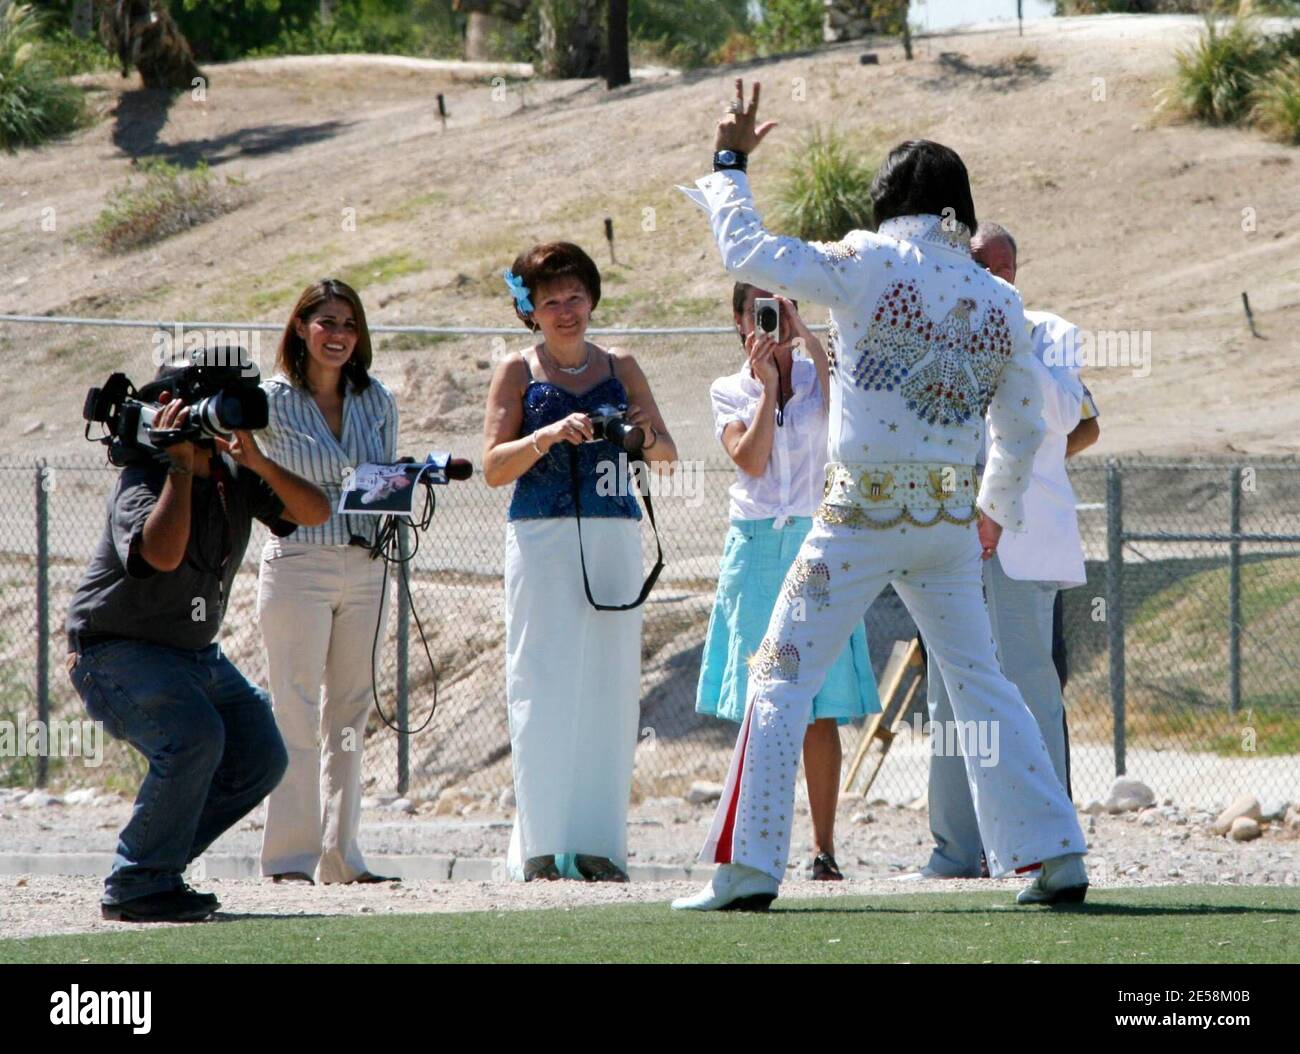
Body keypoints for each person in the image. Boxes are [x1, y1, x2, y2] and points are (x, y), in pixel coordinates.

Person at [672, 80, 1089, 912]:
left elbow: (744, 252)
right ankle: (1055, 855)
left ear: (888, 198)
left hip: (855, 517)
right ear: (958, 208)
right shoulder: (1000, 300)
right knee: (985, 685)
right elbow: (1022, 426)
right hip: (944, 525)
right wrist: (992, 514)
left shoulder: (864, 263)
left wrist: (728, 161)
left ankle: (750, 870)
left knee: (780, 672)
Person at [66, 356, 331, 922]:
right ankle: (138, 883)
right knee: (194, 737)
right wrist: (181, 467)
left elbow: (314, 511)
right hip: (115, 650)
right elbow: (160, 556)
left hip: (194, 655)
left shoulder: (234, 473)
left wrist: (257, 459)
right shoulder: (145, 477)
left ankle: (155, 865)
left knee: (260, 752)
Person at [483, 241, 677, 882]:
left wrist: (630, 432)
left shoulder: (620, 364)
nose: (565, 311)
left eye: (574, 298)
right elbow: (491, 468)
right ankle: (540, 845)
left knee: (611, 683)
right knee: (539, 678)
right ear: (530, 311)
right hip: (540, 539)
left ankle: (599, 845)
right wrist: (544, 436)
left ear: (591, 300)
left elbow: (666, 453)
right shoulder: (517, 371)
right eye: (550, 302)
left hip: (615, 535)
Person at [918, 223, 1101, 879]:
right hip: (948, 540)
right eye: (978, 267)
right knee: (946, 696)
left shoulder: (1050, 331)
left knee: (1030, 690)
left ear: (1017, 272)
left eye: (1001, 269)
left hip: (1022, 541)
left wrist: (1008, 332)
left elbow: (1057, 416)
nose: (990, 280)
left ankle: (1047, 847)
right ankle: (957, 849)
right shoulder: (939, 336)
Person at [697, 282, 880, 881]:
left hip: (818, 542)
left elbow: (846, 424)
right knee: (761, 702)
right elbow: (749, 460)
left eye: (780, 309)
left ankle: (824, 848)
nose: (769, 322)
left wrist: (806, 342)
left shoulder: (820, 372)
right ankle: (753, 846)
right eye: (759, 313)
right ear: (737, 320)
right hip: (756, 545)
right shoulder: (729, 388)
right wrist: (768, 387)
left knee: (819, 705)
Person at [256, 279, 401, 886]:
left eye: (348, 324)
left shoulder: (378, 400)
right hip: (298, 564)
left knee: (349, 711)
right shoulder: (269, 400)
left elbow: (385, 480)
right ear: (301, 328)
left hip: (368, 566)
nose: (338, 335)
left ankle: (342, 857)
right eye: (327, 323)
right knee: (295, 707)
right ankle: (290, 859)